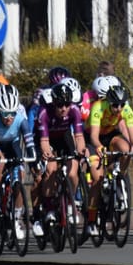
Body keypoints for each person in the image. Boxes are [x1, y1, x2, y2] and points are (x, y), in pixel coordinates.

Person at [85, 84, 133, 236]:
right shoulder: (98, 107)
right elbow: (94, 137)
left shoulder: (126, 110)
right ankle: (91, 221)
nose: (119, 108)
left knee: (127, 150)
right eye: (115, 105)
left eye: (122, 105)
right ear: (109, 102)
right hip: (93, 139)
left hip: (110, 135)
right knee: (97, 179)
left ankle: (118, 178)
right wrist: (99, 148)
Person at [33, 82, 88, 235]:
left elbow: (78, 136)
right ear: (54, 103)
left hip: (63, 137)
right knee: (51, 170)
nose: (64, 108)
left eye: (67, 104)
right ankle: (50, 208)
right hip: (46, 139)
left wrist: (82, 150)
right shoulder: (44, 112)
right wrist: (48, 155)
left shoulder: (74, 111)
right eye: (60, 105)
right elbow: (44, 142)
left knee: (72, 171)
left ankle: (71, 203)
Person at [0, 85, 36, 240]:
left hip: (12, 143)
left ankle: (17, 219)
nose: (9, 118)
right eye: (5, 114)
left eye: (12, 113)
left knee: (19, 175)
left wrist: (32, 156)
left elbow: (28, 138)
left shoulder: (19, 115)